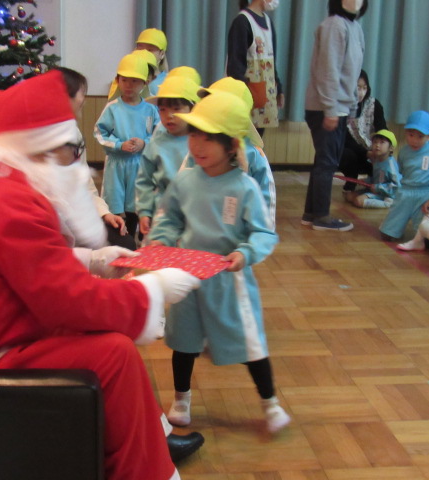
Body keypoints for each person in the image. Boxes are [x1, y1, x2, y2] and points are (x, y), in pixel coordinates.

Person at [0, 70, 204, 480]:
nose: (77, 165)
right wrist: (151, 290)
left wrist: (90, 261)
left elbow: (21, 267)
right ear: (44, 150)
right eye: (70, 150)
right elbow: (66, 300)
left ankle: (145, 446)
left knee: (105, 344)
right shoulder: (11, 200)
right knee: (113, 354)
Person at [149, 91, 291, 434]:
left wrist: (245, 253)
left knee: (249, 341)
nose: (197, 145)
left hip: (229, 280)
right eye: (194, 134)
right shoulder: (185, 180)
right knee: (183, 341)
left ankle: (270, 402)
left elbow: (263, 232)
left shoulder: (244, 187)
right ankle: (181, 399)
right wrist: (161, 240)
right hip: (187, 275)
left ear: (231, 146)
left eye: (209, 138)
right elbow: (169, 218)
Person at [301, 0, 368, 232]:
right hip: (325, 107)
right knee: (327, 162)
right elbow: (328, 71)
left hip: (338, 107)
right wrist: (330, 109)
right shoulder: (334, 25)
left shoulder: (355, 27)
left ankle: (311, 213)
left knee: (325, 161)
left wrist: (351, 108)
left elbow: (352, 73)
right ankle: (321, 216)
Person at [182, 77, 277, 229]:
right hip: (199, 230)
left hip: (237, 236)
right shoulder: (198, 149)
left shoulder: (254, 156)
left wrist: (262, 234)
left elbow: (266, 202)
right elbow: (182, 186)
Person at [57, 66, 135, 250]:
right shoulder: (33, 142)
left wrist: (104, 213)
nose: (78, 115)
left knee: (124, 241)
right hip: (53, 225)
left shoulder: (73, 133)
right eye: (78, 104)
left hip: (76, 215)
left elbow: (85, 184)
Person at [94, 53, 160, 240]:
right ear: (118, 80)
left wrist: (144, 143)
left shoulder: (150, 110)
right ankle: (117, 238)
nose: (129, 85)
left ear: (145, 82)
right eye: (125, 80)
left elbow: (158, 136)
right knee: (114, 203)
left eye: (135, 81)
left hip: (140, 165)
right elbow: (99, 133)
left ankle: (135, 238)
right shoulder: (112, 108)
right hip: (116, 165)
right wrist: (118, 145)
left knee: (136, 204)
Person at [136, 75, 201, 239]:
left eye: (176, 108)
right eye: (163, 110)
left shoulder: (202, 141)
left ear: (192, 109)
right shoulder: (156, 143)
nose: (169, 115)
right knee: (161, 250)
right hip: (163, 213)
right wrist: (144, 211)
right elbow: (144, 180)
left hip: (195, 212)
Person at [379, 110, 429, 241]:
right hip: (406, 191)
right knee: (387, 234)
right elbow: (402, 170)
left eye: (420, 136)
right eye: (411, 135)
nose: (414, 140)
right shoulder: (404, 152)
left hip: (426, 193)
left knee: (425, 234)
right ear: (406, 132)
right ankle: (394, 229)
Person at [226, 0, 284, 135]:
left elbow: (272, 62)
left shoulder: (268, 22)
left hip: (264, 97)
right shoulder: (242, 22)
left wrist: (278, 88)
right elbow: (235, 67)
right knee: (243, 140)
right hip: (247, 98)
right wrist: (247, 97)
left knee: (257, 141)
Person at [338, 70, 388, 194]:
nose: (361, 92)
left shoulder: (374, 105)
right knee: (345, 154)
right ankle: (351, 180)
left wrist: (380, 150)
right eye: (358, 88)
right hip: (356, 152)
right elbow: (345, 139)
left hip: (374, 151)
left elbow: (383, 130)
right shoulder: (342, 107)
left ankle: (377, 182)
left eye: (364, 88)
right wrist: (366, 153)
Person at [344, 129, 399, 209]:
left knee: (358, 201)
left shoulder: (390, 165)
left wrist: (378, 187)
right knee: (349, 196)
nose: (377, 145)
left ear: (391, 148)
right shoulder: (376, 160)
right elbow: (377, 178)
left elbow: (396, 186)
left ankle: (388, 203)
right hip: (375, 190)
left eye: (382, 142)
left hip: (387, 194)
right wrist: (366, 181)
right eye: (375, 142)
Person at [136, 28, 169, 96]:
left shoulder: (168, 82)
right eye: (140, 48)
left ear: (162, 54)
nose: (144, 52)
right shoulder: (126, 78)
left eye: (150, 50)